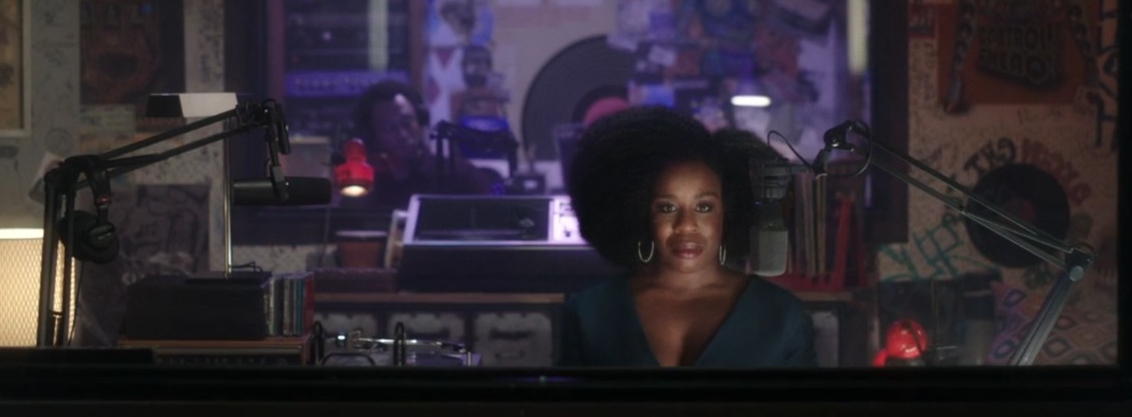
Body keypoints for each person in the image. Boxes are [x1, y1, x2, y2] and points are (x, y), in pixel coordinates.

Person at [557, 106, 818, 367]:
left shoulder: (783, 317)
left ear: (729, 211)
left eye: (704, 207)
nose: (686, 226)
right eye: (667, 208)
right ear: (639, 212)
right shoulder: (589, 314)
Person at [351, 80, 494, 213]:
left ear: (420, 121)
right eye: (389, 128)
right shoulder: (362, 184)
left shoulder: (459, 175)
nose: (402, 134)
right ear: (373, 135)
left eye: (407, 123)